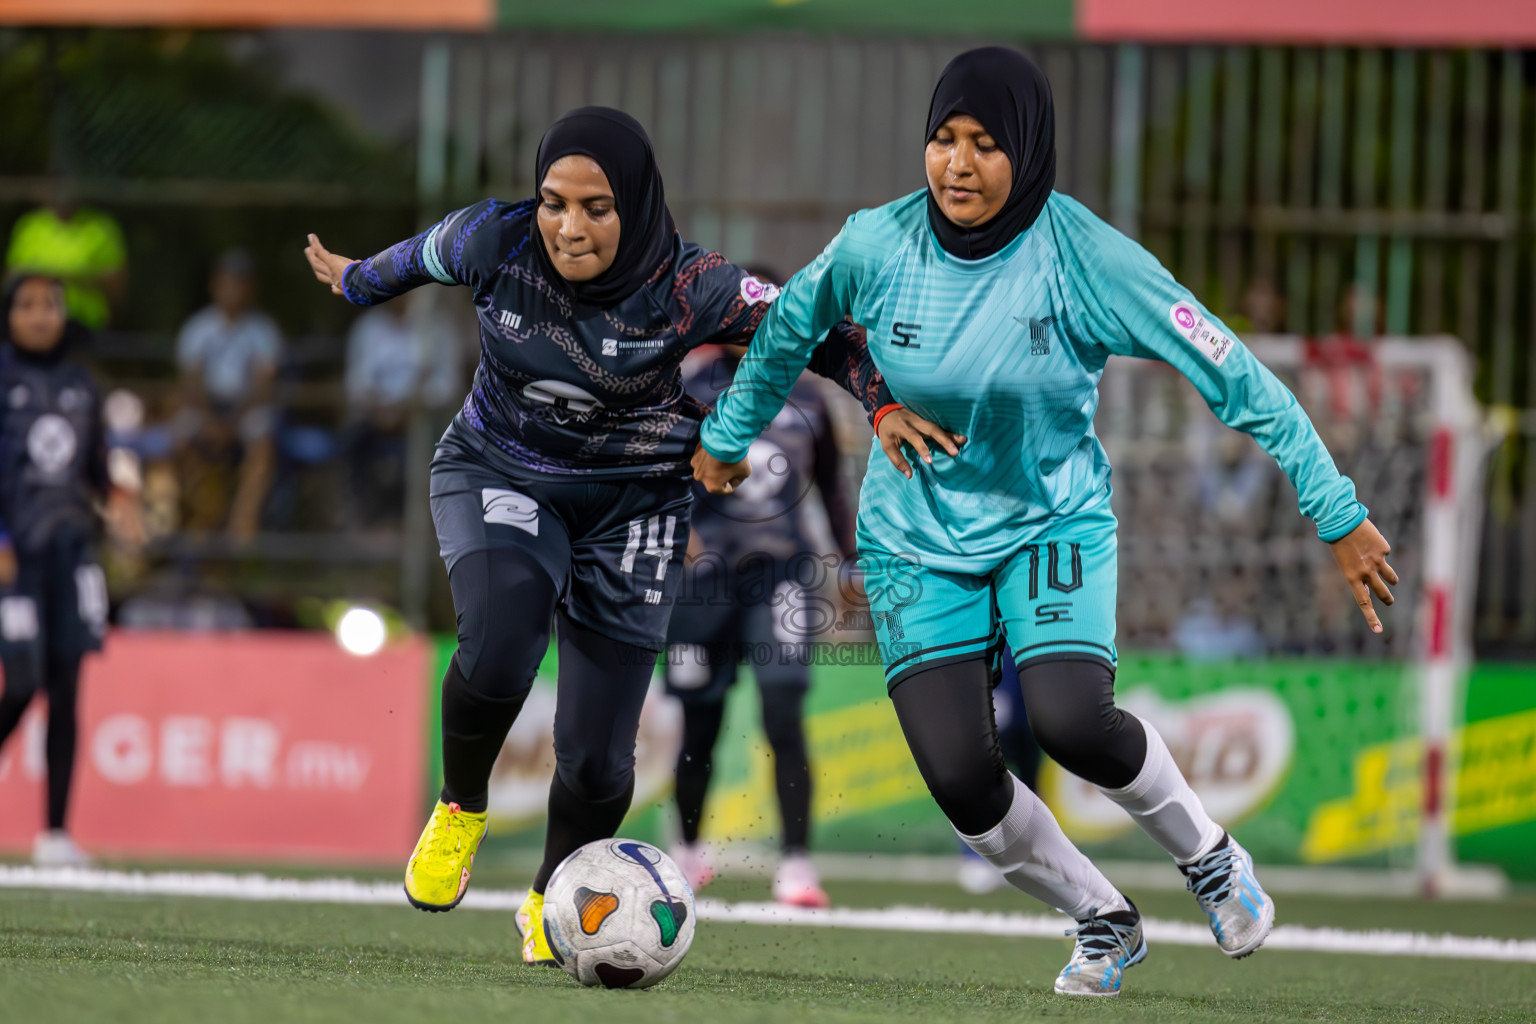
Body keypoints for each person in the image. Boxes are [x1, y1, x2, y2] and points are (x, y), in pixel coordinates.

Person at [693, 48, 1397, 998]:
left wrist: (1338, 513)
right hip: (913, 538)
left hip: (1048, 524)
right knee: (960, 780)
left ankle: (1212, 859)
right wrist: (731, 433)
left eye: (986, 144)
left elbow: (1234, 374)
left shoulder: (1088, 259)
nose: (958, 164)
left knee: (1069, 718)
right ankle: (1101, 918)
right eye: (944, 139)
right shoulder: (876, 241)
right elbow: (787, 330)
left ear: (1028, 150)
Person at [302, 107, 944, 965]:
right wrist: (352, 282)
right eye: (554, 203)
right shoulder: (493, 240)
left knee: (601, 763)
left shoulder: (695, 286)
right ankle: (460, 806)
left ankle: (550, 897)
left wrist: (884, 401)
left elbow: (818, 331)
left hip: (634, 505)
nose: (569, 228)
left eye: (596, 207)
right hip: (501, 472)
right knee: (499, 645)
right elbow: (408, 261)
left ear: (636, 205)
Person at [665, 268, 858, 908]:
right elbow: (655, 466)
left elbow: (830, 487)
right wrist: (672, 537)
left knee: (783, 709)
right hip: (703, 581)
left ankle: (797, 865)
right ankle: (689, 853)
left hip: (781, 575)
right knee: (700, 720)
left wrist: (851, 561)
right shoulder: (693, 384)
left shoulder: (809, 395)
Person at [0, 275, 129, 864]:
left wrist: (121, 501)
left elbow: (98, 471)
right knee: (22, 684)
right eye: (26, 306)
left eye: (48, 305)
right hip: (15, 556)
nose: (39, 316)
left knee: (68, 690)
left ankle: (54, 834)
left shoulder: (83, 384)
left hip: (73, 553)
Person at [172, 250, 280, 540]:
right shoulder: (198, 328)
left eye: (241, 282)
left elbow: (263, 386)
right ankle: (195, 524)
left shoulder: (263, 331)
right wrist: (213, 421)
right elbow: (191, 384)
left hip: (246, 408)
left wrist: (232, 422)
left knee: (263, 440)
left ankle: (242, 527)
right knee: (180, 440)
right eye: (228, 281)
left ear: (251, 288)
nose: (234, 289)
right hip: (206, 407)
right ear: (214, 285)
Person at [5, 190, 127, 330]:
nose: (63, 193)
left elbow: (116, 288)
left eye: (70, 187)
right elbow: (11, 279)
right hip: (37, 324)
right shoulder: (29, 225)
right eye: (57, 186)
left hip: (85, 325)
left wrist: (68, 276)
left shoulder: (102, 227)